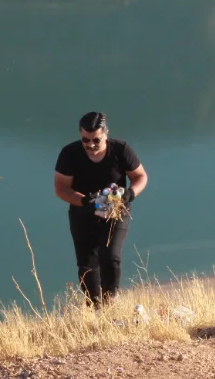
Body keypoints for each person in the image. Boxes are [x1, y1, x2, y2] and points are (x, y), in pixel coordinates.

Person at [54, 112, 148, 307]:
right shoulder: (69, 153)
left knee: (110, 256)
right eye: (85, 140)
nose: (90, 144)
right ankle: (95, 307)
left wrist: (130, 194)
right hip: (83, 213)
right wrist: (86, 202)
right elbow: (61, 188)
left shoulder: (121, 150)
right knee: (87, 266)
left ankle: (109, 302)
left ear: (106, 133)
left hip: (116, 211)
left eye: (96, 139)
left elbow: (140, 177)